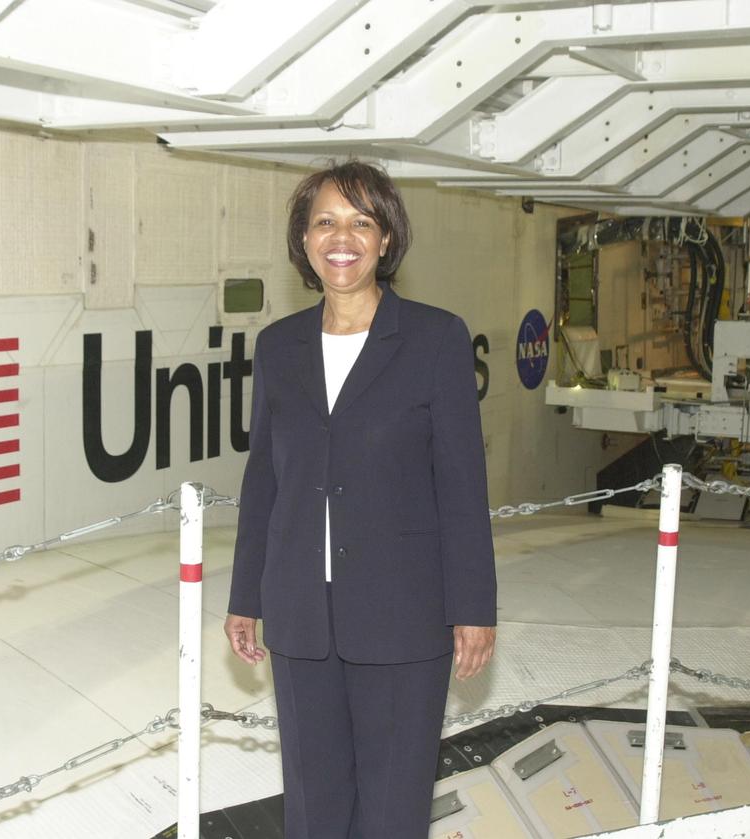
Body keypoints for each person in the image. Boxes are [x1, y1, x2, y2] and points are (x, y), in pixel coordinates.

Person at [224, 160, 497, 839]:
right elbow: (265, 478)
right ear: (305, 239)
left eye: (360, 222)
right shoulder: (279, 346)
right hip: (301, 617)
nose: (340, 237)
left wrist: (473, 606)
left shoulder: (436, 338)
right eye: (325, 221)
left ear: (384, 240)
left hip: (404, 616)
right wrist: (245, 593)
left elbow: (462, 483)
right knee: (314, 809)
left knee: (391, 811)